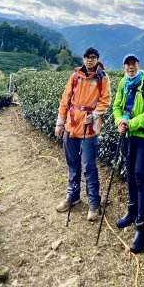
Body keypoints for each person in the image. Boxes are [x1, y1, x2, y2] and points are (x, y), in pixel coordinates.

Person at [55, 46, 111, 221]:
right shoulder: (75, 76)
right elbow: (65, 100)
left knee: (89, 166)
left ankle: (94, 203)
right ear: (83, 59)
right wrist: (60, 123)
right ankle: (73, 197)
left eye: (93, 57)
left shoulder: (102, 78)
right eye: (87, 57)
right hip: (71, 125)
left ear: (97, 59)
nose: (90, 60)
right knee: (73, 164)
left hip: (89, 128)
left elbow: (105, 100)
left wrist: (94, 115)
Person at [113, 53, 144, 253]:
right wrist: (119, 121)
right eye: (127, 64)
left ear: (139, 65)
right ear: (124, 68)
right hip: (128, 135)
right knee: (129, 173)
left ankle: (141, 227)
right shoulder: (123, 82)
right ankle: (131, 212)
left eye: (134, 63)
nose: (131, 67)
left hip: (143, 136)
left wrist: (130, 123)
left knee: (140, 177)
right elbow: (116, 106)